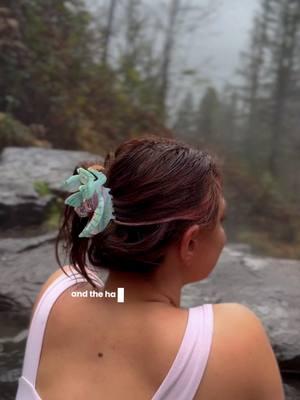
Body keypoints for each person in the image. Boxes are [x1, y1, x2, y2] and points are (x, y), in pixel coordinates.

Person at [16, 136, 285, 400]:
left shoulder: (59, 292)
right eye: (221, 220)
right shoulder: (234, 336)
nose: (224, 235)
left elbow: (116, 297)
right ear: (189, 243)